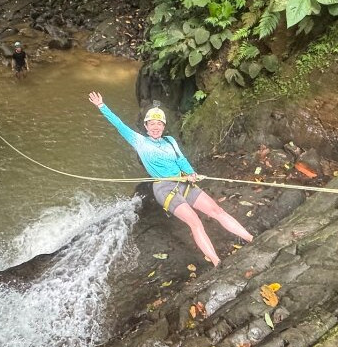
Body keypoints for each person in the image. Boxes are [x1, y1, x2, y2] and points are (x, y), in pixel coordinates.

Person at [88, 91, 253, 267]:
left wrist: (191, 173)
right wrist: (102, 106)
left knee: (217, 210)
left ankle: (250, 238)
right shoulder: (139, 142)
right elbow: (119, 125)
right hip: (164, 188)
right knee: (195, 222)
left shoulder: (170, 141)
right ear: (146, 126)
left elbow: (181, 159)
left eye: (159, 123)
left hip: (183, 182)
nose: (156, 127)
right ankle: (217, 262)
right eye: (152, 123)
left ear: (164, 126)